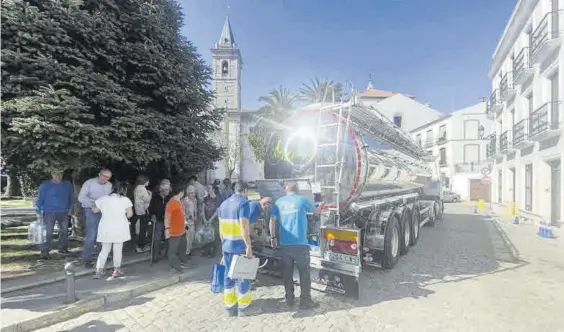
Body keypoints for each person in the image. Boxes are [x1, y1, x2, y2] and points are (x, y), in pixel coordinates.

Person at [270, 182, 319, 309]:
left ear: (286, 190)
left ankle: (289, 298)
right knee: (304, 273)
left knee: (287, 273)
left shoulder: (278, 202)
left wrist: (273, 237)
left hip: (285, 245)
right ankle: (305, 301)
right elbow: (315, 211)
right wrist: (321, 207)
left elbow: (272, 220)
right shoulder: (302, 200)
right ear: (297, 190)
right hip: (300, 244)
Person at [218, 181, 255, 317]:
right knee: (243, 275)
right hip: (239, 246)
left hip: (227, 245)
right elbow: (244, 226)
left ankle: (230, 307)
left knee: (228, 275)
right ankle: (243, 308)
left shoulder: (223, 204)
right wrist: (249, 246)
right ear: (244, 190)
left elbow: (220, 228)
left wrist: (223, 245)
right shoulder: (243, 203)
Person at [92, 182, 133, 279]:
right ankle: (116, 270)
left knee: (104, 250)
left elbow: (94, 210)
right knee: (117, 250)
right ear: (123, 190)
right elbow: (129, 214)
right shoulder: (125, 200)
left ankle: (99, 271)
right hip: (119, 227)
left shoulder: (103, 199)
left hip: (106, 227)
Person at [35, 169, 74, 259]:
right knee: (48, 232)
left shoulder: (67, 185)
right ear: (51, 174)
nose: (58, 176)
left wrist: (71, 208)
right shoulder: (45, 185)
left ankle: (62, 248)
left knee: (64, 231)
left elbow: (71, 198)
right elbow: (40, 199)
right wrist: (38, 211)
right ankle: (45, 251)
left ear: (63, 174)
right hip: (49, 212)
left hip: (63, 212)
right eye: (55, 174)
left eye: (60, 173)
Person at [78, 169, 113, 267]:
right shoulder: (89, 183)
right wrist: (95, 203)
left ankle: (101, 256)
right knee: (92, 235)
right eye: (104, 176)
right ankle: (85, 259)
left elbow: (108, 199)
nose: (105, 179)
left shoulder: (109, 185)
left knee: (102, 234)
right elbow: (81, 198)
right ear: (99, 174)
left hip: (104, 212)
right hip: (91, 211)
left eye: (108, 177)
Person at [165, 184, 191, 272]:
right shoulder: (172, 202)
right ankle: (174, 266)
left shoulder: (178, 201)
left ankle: (181, 262)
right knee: (172, 249)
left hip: (181, 229)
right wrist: (167, 229)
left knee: (183, 246)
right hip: (174, 230)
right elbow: (167, 216)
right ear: (181, 192)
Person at [148, 179, 171, 262]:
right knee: (157, 238)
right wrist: (152, 215)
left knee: (168, 238)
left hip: (168, 220)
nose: (168, 191)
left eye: (168, 189)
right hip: (158, 220)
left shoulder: (170, 197)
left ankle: (168, 254)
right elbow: (151, 208)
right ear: (161, 190)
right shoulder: (155, 197)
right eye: (166, 189)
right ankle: (155, 255)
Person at [133, 175, 152, 253]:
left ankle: (140, 245)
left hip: (138, 210)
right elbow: (147, 200)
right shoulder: (142, 188)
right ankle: (140, 246)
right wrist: (150, 194)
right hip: (142, 211)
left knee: (140, 229)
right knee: (143, 230)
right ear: (144, 181)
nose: (149, 182)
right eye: (148, 181)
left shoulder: (136, 188)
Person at [183, 185, 198, 256]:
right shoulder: (184, 201)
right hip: (186, 223)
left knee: (192, 237)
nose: (193, 194)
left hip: (192, 222)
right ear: (188, 193)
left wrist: (195, 216)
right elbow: (183, 213)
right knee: (187, 238)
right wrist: (188, 217)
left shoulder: (195, 200)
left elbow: (195, 210)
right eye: (191, 193)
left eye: (194, 193)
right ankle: (186, 252)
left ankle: (189, 250)